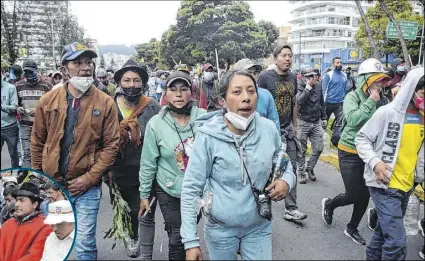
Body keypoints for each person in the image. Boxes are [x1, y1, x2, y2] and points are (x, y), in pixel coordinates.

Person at [181, 70, 295, 260]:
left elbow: (284, 163)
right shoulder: (208, 137)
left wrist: (286, 181)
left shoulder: (268, 129)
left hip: (259, 226)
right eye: (237, 92)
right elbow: (191, 189)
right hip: (220, 229)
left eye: (251, 91)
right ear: (222, 100)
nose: (246, 98)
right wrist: (190, 241)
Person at [31, 42, 120, 260]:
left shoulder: (106, 102)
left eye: (88, 62)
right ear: (64, 69)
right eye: (77, 62)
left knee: (85, 241)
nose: (85, 68)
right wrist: (41, 179)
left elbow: (111, 146)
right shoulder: (48, 101)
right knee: (57, 235)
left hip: (86, 188)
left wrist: (89, 178)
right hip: (55, 185)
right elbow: (37, 142)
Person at [355, 67, 424, 260]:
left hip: (406, 185)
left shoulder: (423, 118)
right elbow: (362, 139)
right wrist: (376, 163)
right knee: (396, 243)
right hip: (384, 185)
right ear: (411, 89)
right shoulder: (387, 113)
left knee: (382, 233)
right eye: (423, 93)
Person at [321, 58, 391, 245]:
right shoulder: (352, 97)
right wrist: (370, 102)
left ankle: (352, 227)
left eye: (381, 81)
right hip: (349, 151)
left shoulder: (383, 100)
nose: (379, 85)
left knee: (366, 193)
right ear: (365, 79)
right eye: (375, 80)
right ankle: (329, 204)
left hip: (370, 154)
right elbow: (353, 120)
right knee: (353, 193)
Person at [139, 71, 206, 260]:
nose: (178, 94)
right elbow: (148, 163)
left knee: (188, 229)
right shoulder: (156, 124)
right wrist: (144, 195)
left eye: (183, 89)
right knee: (177, 235)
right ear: (165, 93)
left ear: (191, 93)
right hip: (168, 188)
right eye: (173, 89)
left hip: (197, 190)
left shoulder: (204, 118)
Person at [110, 59, 161, 258]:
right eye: (127, 80)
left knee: (145, 210)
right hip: (119, 170)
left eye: (136, 80)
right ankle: (132, 236)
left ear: (144, 83)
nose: (132, 85)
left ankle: (146, 246)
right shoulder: (109, 106)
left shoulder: (153, 107)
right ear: (119, 83)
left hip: (148, 169)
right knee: (128, 210)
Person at [257, 44, 307, 221]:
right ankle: (262, 204)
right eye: (284, 55)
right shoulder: (264, 77)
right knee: (266, 170)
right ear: (275, 58)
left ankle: (291, 208)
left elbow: (294, 102)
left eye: (290, 56)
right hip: (269, 133)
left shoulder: (293, 77)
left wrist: (294, 125)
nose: (287, 59)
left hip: (287, 131)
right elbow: (259, 102)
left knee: (290, 167)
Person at [0, 182, 53, 261]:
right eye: (17, 200)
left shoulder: (45, 226)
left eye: (22, 200)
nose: (17, 204)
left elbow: (35, 256)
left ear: (34, 204)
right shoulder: (8, 224)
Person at [15, 60, 52, 172]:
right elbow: (14, 104)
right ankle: (27, 178)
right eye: (26, 72)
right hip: (25, 124)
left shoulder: (46, 86)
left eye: (31, 72)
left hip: (41, 125)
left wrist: (39, 111)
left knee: (42, 151)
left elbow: (53, 107)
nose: (28, 75)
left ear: (36, 71)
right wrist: (17, 108)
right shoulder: (18, 86)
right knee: (27, 152)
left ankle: (41, 176)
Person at [296, 68, 327, 183]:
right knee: (301, 150)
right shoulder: (299, 85)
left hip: (316, 121)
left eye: (313, 76)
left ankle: (310, 168)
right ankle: (301, 172)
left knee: (319, 148)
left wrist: (324, 117)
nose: (311, 79)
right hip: (302, 121)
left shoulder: (318, 86)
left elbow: (322, 103)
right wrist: (308, 87)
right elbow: (299, 101)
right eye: (308, 76)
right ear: (303, 77)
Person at [233, 58, 280, 131]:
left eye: (254, 73)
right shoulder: (232, 95)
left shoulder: (266, 95)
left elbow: (274, 122)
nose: (252, 76)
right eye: (248, 72)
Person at [322, 57, 347, 125]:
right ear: (333, 64)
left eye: (340, 62)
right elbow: (323, 90)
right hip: (328, 103)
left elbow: (345, 89)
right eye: (337, 62)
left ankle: (335, 135)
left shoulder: (344, 75)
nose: (339, 64)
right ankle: (323, 134)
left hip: (340, 103)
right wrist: (322, 103)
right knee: (324, 123)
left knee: (339, 123)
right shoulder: (328, 75)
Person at [1, 78, 19, 169]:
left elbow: (14, 107)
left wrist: (2, 107)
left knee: (14, 155)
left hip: (10, 127)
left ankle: (14, 176)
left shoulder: (10, 88)